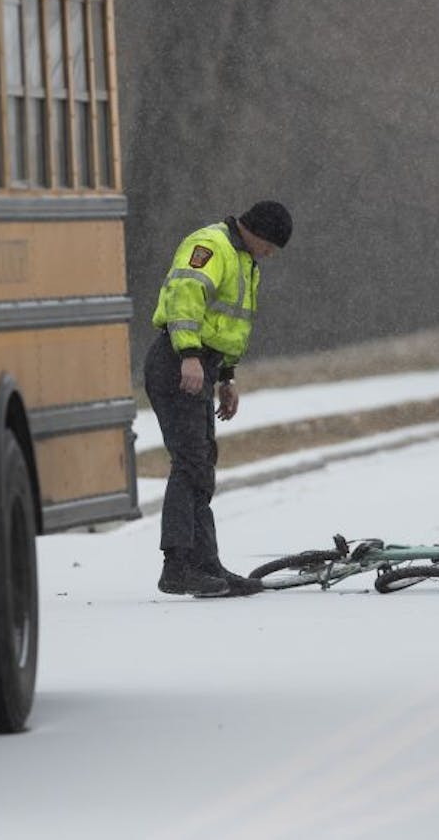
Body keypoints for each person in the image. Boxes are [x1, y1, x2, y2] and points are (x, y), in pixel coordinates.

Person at [146, 200, 293, 597]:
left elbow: (227, 326)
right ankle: (177, 565)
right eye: (271, 246)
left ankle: (205, 563)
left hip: (203, 365)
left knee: (202, 462)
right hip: (177, 362)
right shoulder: (211, 246)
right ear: (256, 232)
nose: (270, 254)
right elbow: (184, 297)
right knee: (190, 462)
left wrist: (226, 376)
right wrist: (189, 355)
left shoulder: (244, 259)